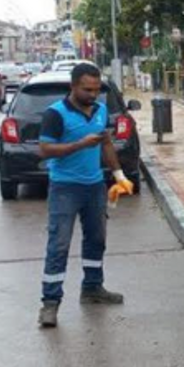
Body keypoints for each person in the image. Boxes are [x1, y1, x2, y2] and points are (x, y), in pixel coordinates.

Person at [36, 62, 135, 328]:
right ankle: (50, 304)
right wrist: (79, 145)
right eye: (87, 90)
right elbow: (44, 150)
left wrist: (119, 175)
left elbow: (106, 143)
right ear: (73, 86)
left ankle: (92, 288)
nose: (93, 95)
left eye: (96, 90)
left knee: (97, 239)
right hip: (64, 188)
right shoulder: (55, 114)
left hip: (94, 187)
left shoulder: (101, 110)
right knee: (59, 245)